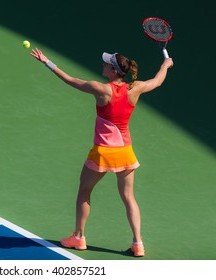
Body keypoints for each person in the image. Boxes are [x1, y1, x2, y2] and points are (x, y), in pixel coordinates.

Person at [31, 48, 173, 257]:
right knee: (129, 197)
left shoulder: (100, 89)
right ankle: (138, 243)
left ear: (114, 71)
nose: (103, 65)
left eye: (107, 64)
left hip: (103, 153)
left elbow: (70, 80)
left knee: (84, 192)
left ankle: (78, 238)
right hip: (125, 152)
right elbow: (157, 81)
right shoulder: (135, 88)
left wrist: (47, 62)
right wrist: (166, 65)